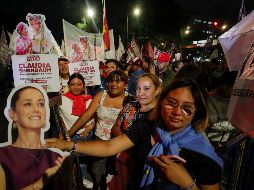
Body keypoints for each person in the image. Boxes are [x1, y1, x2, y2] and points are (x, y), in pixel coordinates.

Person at [46, 79, 223, 190]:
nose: (177, 111)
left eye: (187, 107)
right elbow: (110, 146)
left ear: (196, 112)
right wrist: (69, 144)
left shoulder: (203, 153)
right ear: (161, 103)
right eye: (171, 103)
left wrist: (187, 183)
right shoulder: (147, 125)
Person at [69, 70, 130, 189]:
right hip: (99, 141)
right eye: (110, 81)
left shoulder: (131, 100)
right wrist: (68, 134)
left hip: (119, 145)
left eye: (118, 81)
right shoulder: (101, 95)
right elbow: (86, 116)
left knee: (114, 177)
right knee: (97, 173)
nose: (113, 84)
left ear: (126, 84)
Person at [0, 84, 64, 190]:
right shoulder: (3, 157)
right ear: (13, 114)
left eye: (40, 104)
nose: (36, 109)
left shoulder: (57, 158)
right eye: (28, 104)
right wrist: (37, 186)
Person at [109, 73, 161, 190]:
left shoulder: (162, 113)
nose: (140, 93)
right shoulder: (130, 106)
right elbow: (115, 127)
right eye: (138, 88)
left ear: (157, 90)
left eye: (146, 89)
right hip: (123, 160)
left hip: (146, 167)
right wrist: (126, 142)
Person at [59, 73, 94, 140]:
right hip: (70, 138)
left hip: (88, 137)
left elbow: (96, 117)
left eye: (79, 84)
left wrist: (91, 127)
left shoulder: (90, 100)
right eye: (72, 84)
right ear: (68, 85)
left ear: (83, 86)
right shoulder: (61, 99)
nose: (76, 87)